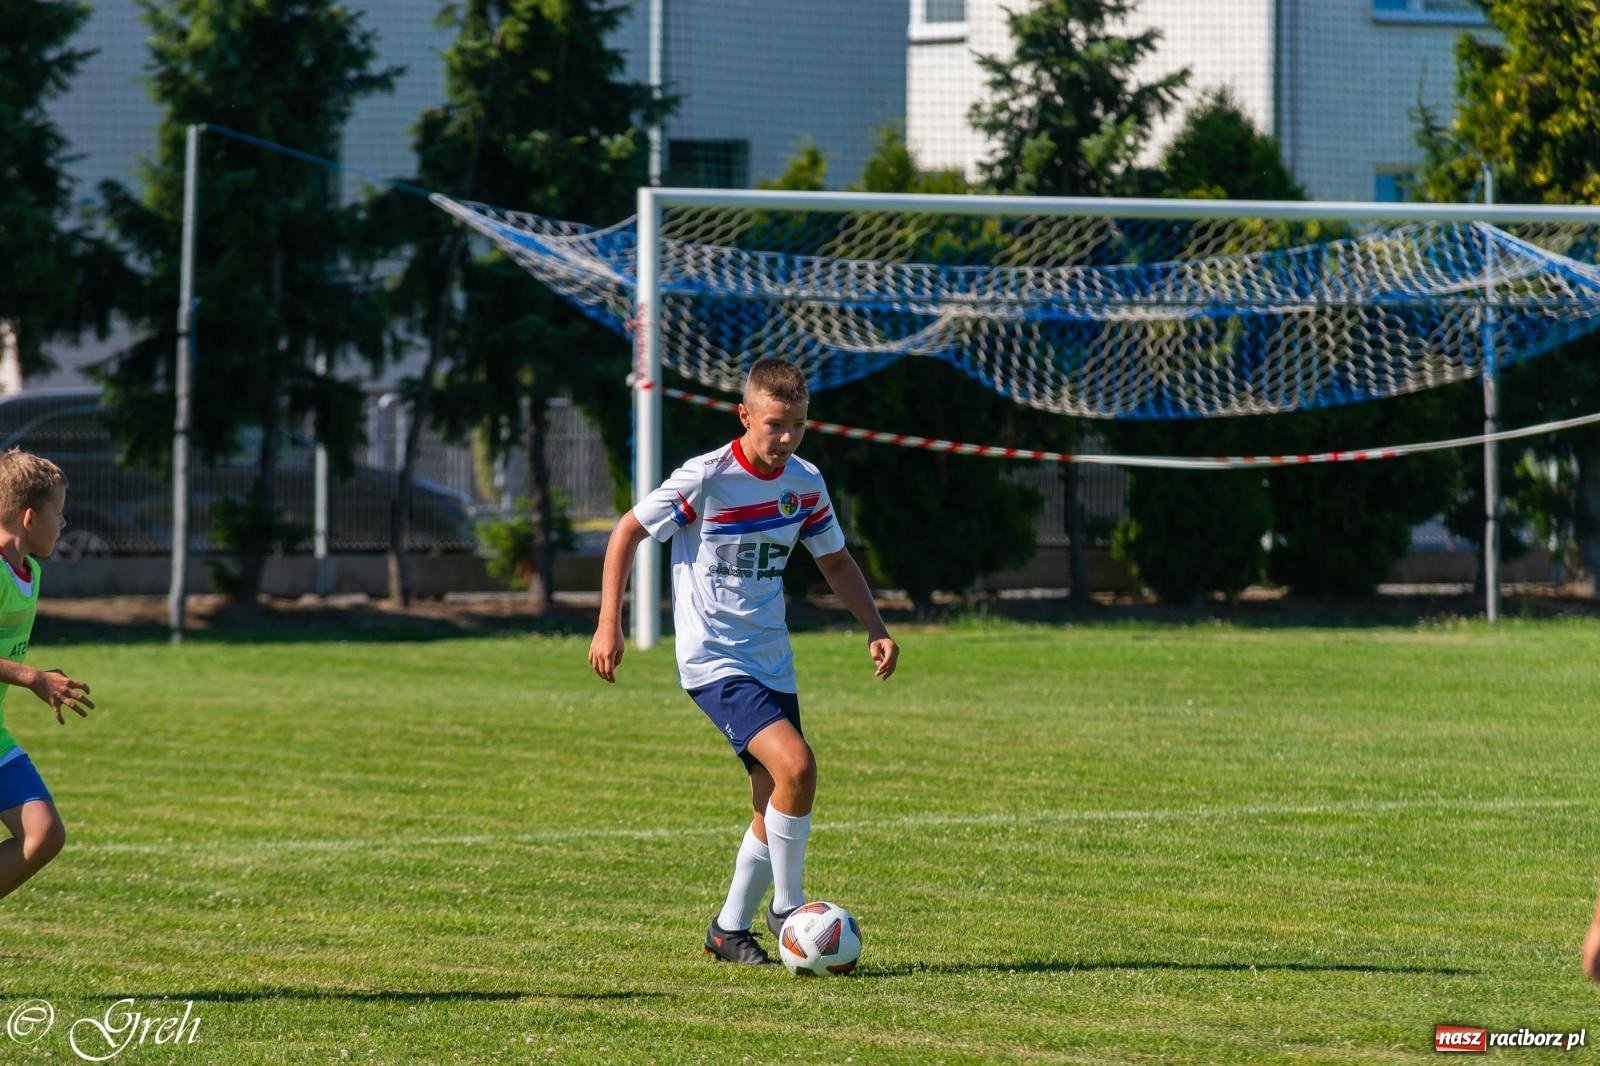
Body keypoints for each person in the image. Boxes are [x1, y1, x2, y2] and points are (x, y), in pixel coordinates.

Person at [588, 358, 898, 965]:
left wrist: (875, 627)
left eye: (798, 426)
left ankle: (727, 931)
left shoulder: (805, 483)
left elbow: (834, 560)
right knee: (799, 767)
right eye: (775, 425)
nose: (785, 440)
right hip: (713, 660)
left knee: (773, 793)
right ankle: (789, 908)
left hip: (771, 658)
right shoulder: (706, 478)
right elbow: (626, 531)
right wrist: (609, 623)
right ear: (745, 415)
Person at [0, 448, 94, 903]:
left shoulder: (28, 572)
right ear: (30, 517)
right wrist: (32, 677)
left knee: (43, 834)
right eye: (58, 512)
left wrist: (37, 675)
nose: (64, 523)